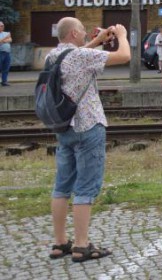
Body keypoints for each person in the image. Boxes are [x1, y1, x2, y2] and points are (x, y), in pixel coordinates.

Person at [47, 19, 130, 262]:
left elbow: (81, 53)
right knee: (85, 187)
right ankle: (82, 246)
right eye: (82, 31)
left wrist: (98, 40)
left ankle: (60, 242)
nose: (85, 34)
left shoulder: (53, 56)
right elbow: (123, 56)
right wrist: (122, 35)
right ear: (73, 33)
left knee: (62, 186)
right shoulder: (81, 57)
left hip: (64, 127)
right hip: (87, 125)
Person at [0, 20, 12, 86]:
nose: (2, 27)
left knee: (6, 68)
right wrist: (6, 38)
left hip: (7, 53)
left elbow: (10, 40)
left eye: (3, 25)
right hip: (0, 53)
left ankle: (4, 81)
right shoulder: (7, 34)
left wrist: (3, 40)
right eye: (1, 26)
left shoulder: (6, 33)